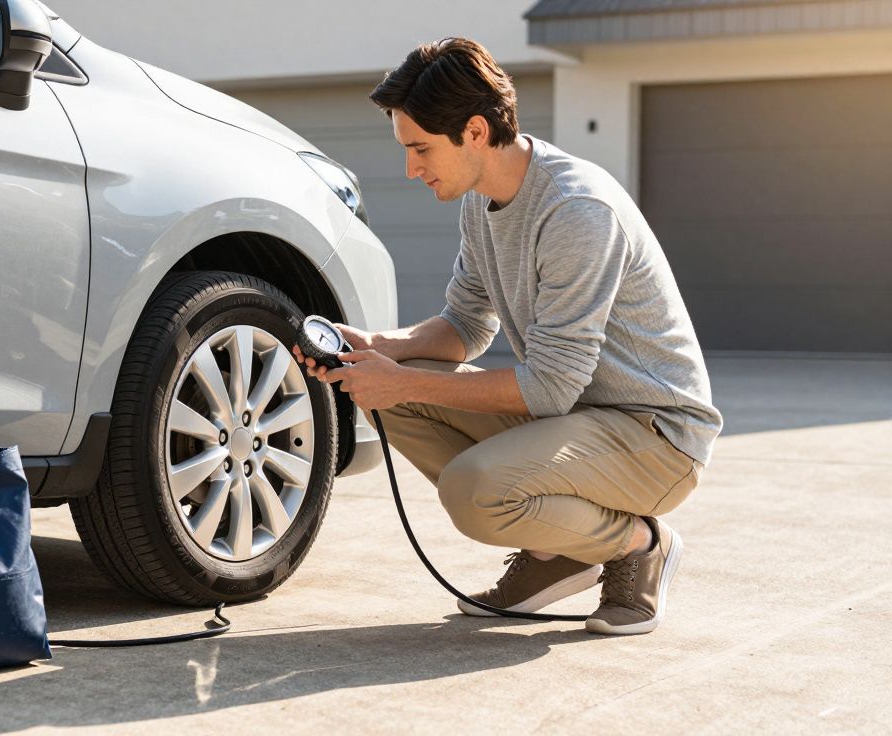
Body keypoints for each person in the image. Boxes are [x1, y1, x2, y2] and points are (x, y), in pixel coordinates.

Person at [293, 37, 722, 635]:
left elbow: (549, 388)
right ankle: (554, 552)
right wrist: (379, 348)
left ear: (473, 131)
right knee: (390, 396)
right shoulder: (483, 200)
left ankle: (639, 544)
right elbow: (466, 328)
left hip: (654, 435)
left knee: (475, 492)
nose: (410, 170)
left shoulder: (576, 210)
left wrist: (400, 379)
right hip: (574, 420)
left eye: (420, 149)